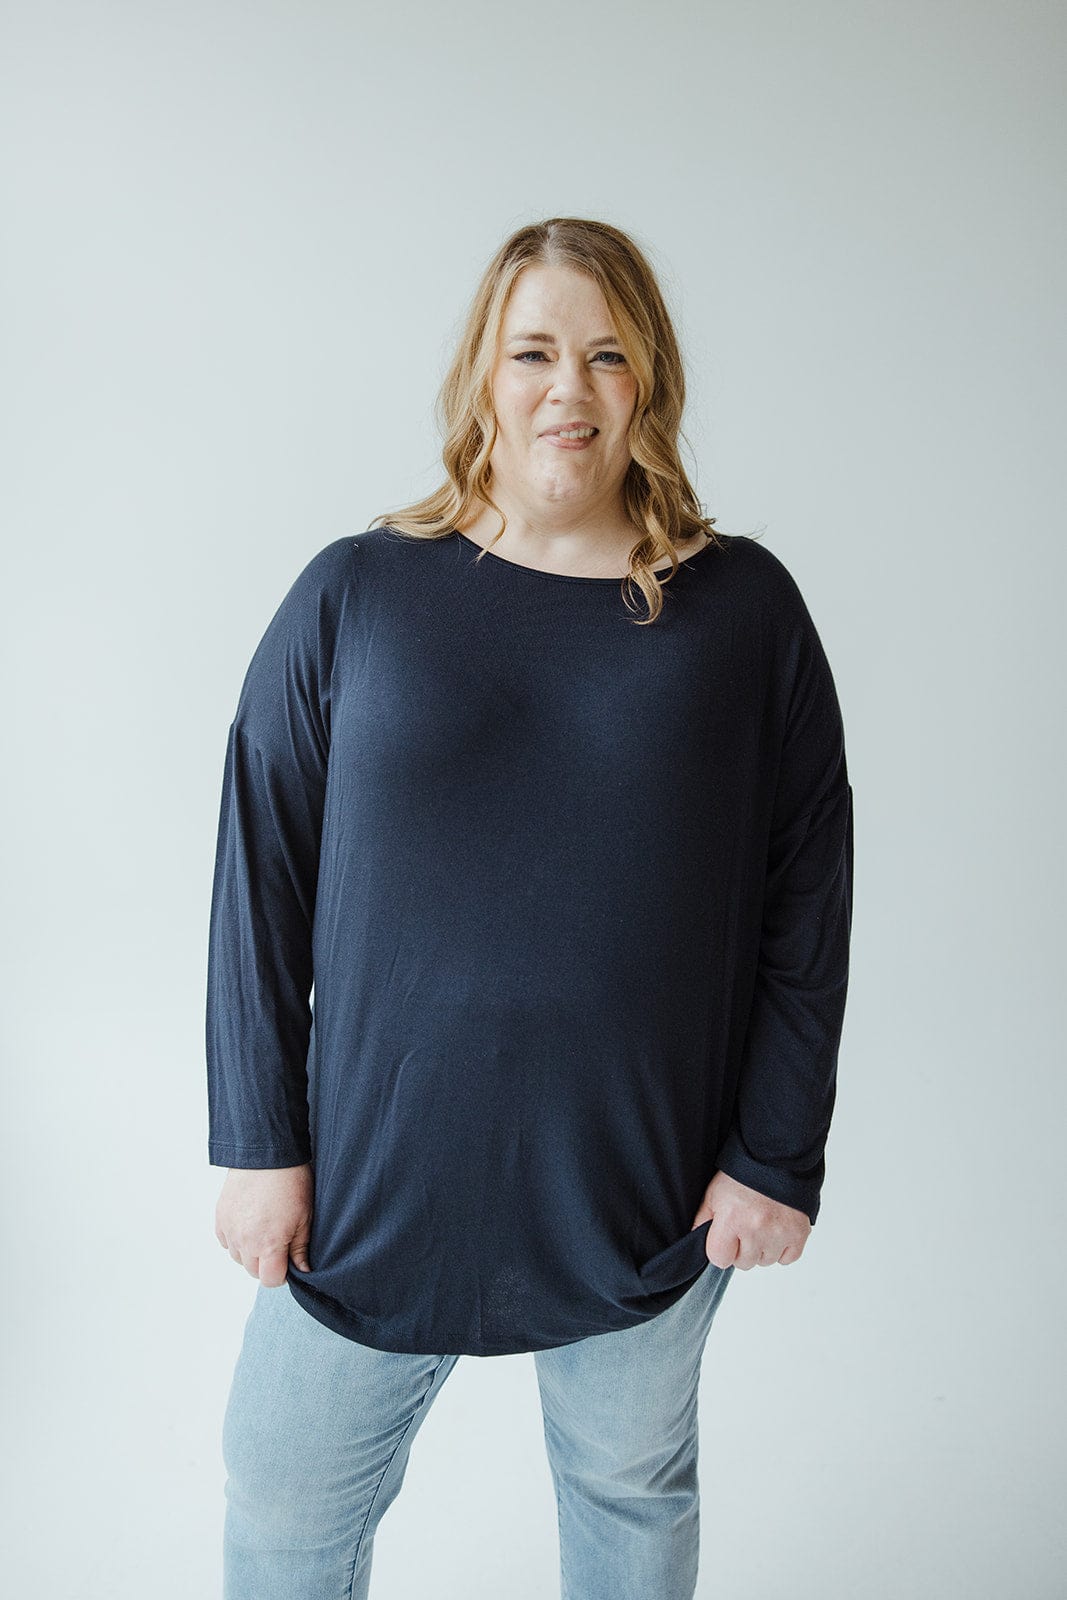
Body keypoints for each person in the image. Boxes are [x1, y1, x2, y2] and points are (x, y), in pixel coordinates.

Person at [206, 215, 854, 1600]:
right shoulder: (357, 593)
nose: (571, 386)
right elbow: (258, 865)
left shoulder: (741, 612)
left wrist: (775, 1154)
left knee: (629, 1493)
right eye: (538, 351)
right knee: (283, 1493)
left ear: (650, 384)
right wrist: (258, 1140)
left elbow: (810, 883)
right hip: (377, 1174)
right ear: (484, 379)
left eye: (609, 354)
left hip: (642, 1183)